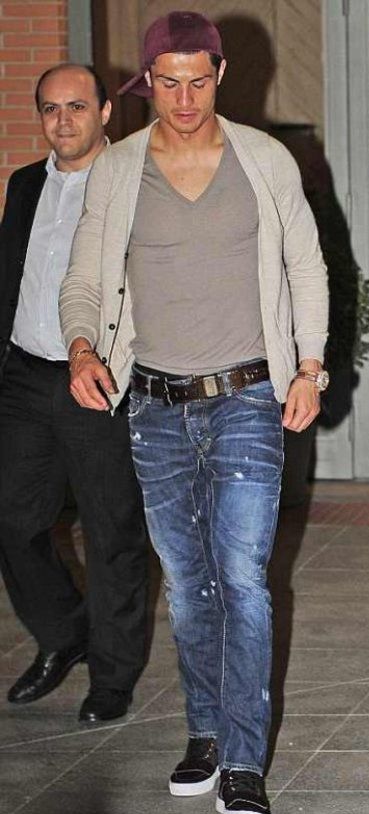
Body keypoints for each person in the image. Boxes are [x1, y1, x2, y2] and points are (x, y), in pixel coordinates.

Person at [59, 11, 328, 814]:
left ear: (220, 75)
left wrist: (309, 366)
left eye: (198, 82)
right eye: (168, 83)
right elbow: (84, 278)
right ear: (148, 83)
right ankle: (205, 730)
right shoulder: (118, 170)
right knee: (187, 582)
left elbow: (306, 265)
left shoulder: (264, 159)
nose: (184, 99)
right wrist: (81, 348)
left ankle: (243, 762)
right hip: (155, 407)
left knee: (242, 577)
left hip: (248, 395)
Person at [0, 64, 148, 723]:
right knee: (12, 518)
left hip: (100, 379)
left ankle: (112, 676)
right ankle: (65, 634)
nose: (63, 120)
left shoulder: (133, 186)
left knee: (112, 531)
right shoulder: (24, 184)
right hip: (26, 375)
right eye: (50, 108)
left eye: (77, 107)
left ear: (106, 112)